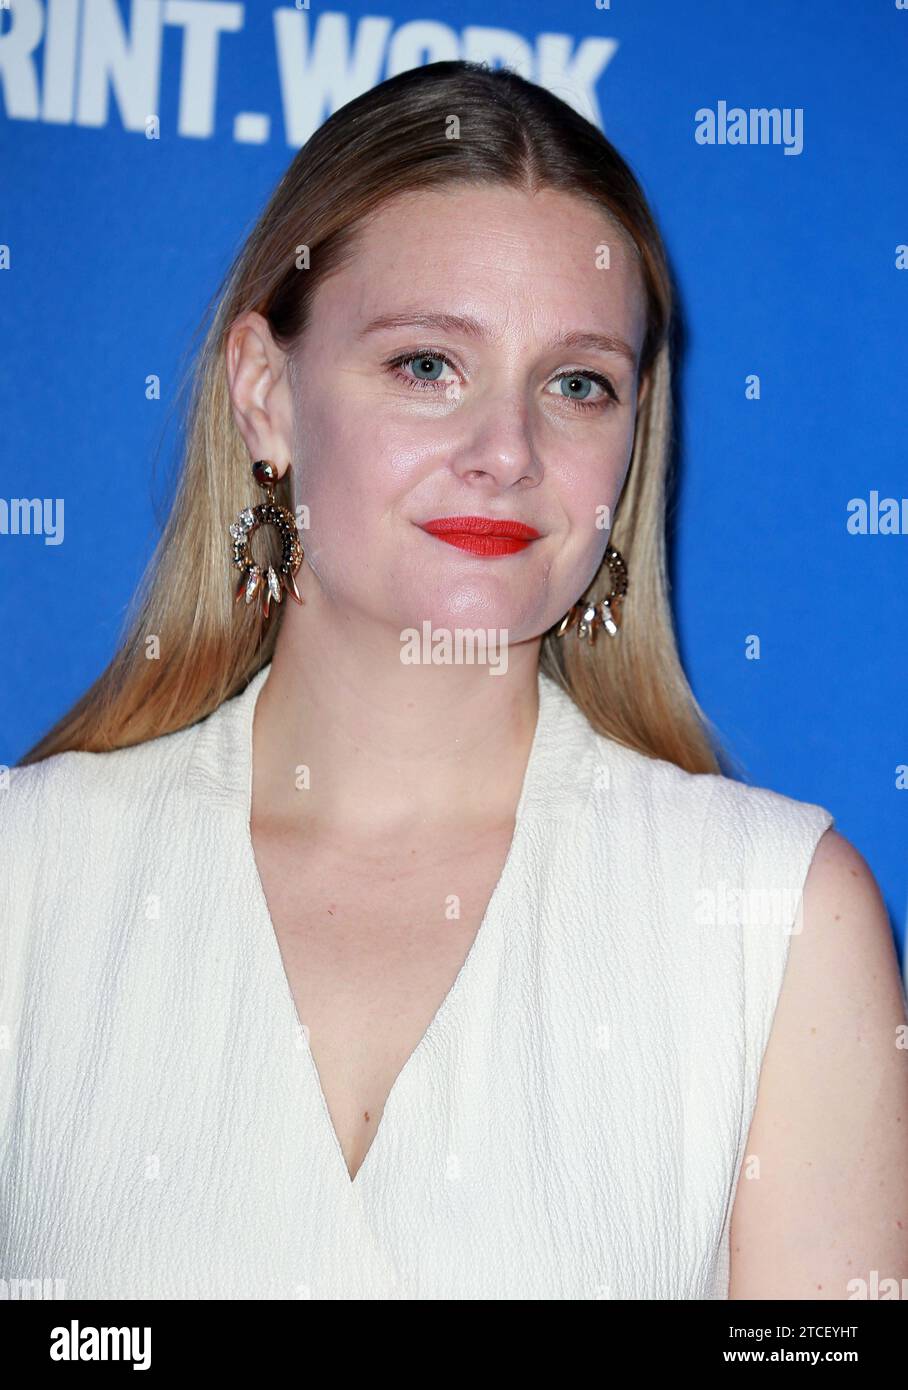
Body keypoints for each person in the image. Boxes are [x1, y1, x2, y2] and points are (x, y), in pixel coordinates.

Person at [2, 60, 906, 1302]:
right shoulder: (30, 882)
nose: (507, 451)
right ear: (266, 394)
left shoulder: (772, 921)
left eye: (576, 383)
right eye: (428, 364)